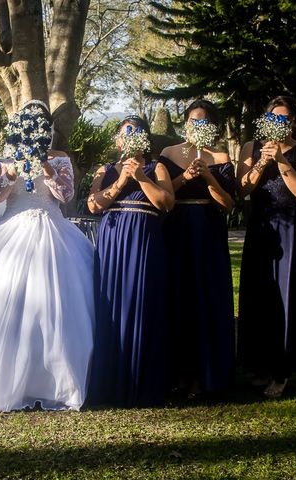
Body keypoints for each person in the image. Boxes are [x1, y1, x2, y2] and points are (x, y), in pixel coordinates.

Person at [0, 100, 94, 412]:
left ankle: (52, 382)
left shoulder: (60, 159)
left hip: (52, 231)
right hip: (11, 233)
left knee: (55, 308)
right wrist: (8, 174)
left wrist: (46, 167)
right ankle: (6, 380)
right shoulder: (8, 158)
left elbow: (65, 196)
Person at [86, 115, 174, 407]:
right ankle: (109, 382)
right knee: (110, 303)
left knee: (141, 302)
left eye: (136, 133)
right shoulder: (106, 169)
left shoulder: (156, 166)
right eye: (125, 133)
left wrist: (140, 177)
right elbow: (94, 205)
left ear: (144, 140)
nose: (130, 137)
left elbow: (166, 203)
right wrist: (122, 178)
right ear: (118, 140)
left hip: (143, 239)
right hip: (113, 241)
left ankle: (141, 382)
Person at [237, 96, 296, 398]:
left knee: (287, 297)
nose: (278, 124)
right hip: (261, 229)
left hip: (294, 229)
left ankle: (282, 371)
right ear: (265, 120)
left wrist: (282, 161)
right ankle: (260, 365)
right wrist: (262, 161)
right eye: (273, 118)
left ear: (293, 122)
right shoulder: (250, 147)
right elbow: (243, 188)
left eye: (284, 119)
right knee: (259, 296)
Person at [158, 99, 236, 400]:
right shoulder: (168, 153)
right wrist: (185, 176)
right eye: (192, 121)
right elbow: (163, 194)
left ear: (212, 127)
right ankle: (175, 372)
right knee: (176, 297)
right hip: (175, 229)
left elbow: (227, 204)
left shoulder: (220, 156)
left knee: (205, 298)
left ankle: (204, 374)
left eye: (202, 122)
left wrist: (208, 175)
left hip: (206, 230)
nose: (196, 126)